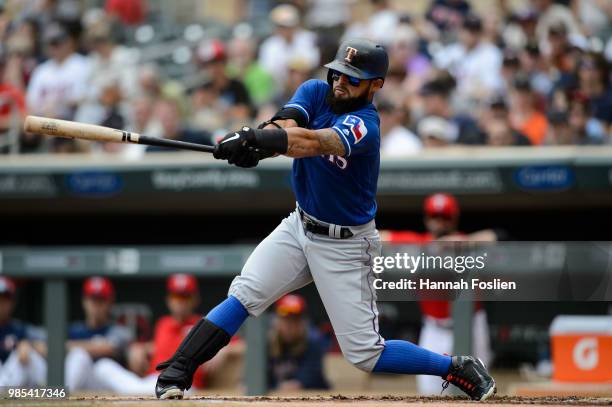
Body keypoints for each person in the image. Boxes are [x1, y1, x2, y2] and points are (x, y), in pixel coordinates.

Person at [155, 38, 496, 401]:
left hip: (346, 244)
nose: (340, 82)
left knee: (365, 354)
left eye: (353, 78)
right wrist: (254, 143)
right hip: (299, 225)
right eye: (339, 73)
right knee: (244, 294)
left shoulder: (366, 124)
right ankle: (177, 371)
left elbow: (313, 142)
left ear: (375, 84)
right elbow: (287, 123)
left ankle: (454, 367)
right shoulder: (315, 91)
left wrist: (259, 138)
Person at [381, 193, 496, 395]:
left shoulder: (463, 242)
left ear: (454, 219)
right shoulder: (418, 242)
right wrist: (424, 248)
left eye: (445, 217)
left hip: (471, 325)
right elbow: (378, 236)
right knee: (430, 393)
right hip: (435, 328)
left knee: (480, 387)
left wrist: (464, 242)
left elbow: (496, 236)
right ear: (426, 218)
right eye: (435, 216)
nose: (439, 222)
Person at [90, 273, 243, 395]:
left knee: (122, 383)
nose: (180, 302)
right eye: (176, 296)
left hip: (184, 384)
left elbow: (244, 345)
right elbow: (159, 346)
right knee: (102, 366)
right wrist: (139, 348)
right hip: (152, 380)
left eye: (185, 296)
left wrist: (224, 349)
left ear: (195, 299)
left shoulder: (205, 323)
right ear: (168, 299)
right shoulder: (163, 323)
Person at [268, 294, 329, 391]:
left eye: (295, 320)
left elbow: (304, 382)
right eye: (286, 319)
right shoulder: (267, 343)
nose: (290, 326)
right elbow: (257, 379)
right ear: (277, 320)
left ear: (303, 322)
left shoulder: (313, 341)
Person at [0, 277, 46, 387]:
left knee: (27, 354)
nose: (1, 304)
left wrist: (27, 345)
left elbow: (47, 347)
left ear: (12, 302)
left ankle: (49, 394)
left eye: (4, 299)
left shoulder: (20, 329)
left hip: (13, 379)